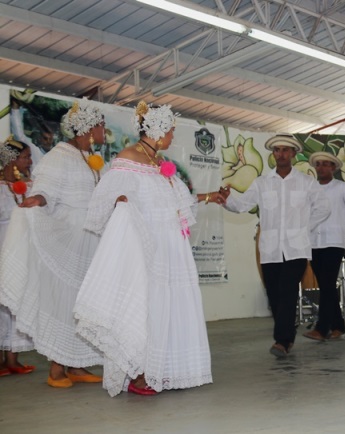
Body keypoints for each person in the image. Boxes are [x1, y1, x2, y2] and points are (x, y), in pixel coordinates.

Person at [75, 102, 219, 396]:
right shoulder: (128, 157)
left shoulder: (159, 162)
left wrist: (207, 197)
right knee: (147, 304)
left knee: (167, 304)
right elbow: (107, 199)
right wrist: (121, 203)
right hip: (148, 245)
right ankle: (140, 373)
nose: (173, 137)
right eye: (171, 131)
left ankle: (163, 370)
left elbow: (178, 203)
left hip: (171, 245)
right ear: (158, 129)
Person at [0, 98, 105, 388]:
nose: (104, 130)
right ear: (88, 128)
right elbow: (46, 187)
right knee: (64, 302)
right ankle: (57, 369)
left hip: (90, 238)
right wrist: (38, 198)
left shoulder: (93, 158)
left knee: (83, 303)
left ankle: (76, 365)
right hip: (68, 237)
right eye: (101, 125)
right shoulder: (60, 155)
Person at [221, 134, 330, 357]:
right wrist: (227, 199)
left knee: (288, 292)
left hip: (296, 249)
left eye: (285, 150)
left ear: (293, 154)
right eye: (277, 150)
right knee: (274, 295)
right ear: (273, 154)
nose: (281, 154)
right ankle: (287, 335)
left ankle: (282, 341)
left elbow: (324, 208)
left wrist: (304, 228)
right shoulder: (262, 183)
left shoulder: (306, 182)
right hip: (270, 250)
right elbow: (242, 204)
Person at [302, 151, 345, 342]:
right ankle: (338, 326)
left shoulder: (342, 187)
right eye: (318, 164)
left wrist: (341, 224)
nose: (321, 168)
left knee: (327, 285)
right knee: (326, 285)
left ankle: (322, 329)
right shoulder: (310, 189)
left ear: (333, 168)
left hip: (334, 242)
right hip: (314, 242)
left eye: (325, 164)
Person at [0, 137, 35, 377]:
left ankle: (12, 359)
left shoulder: (28, 186)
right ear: (11, 160)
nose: (29, 161)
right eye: (25, 157)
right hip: (2, 246)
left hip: (20, 250)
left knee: (14, 301)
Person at [10, 99, 47, 164]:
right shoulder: (36, 152)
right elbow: (19, 136)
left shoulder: (55, 158)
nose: (48, 142)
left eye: (50, 139)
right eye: (45, 138)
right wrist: (15, 109)